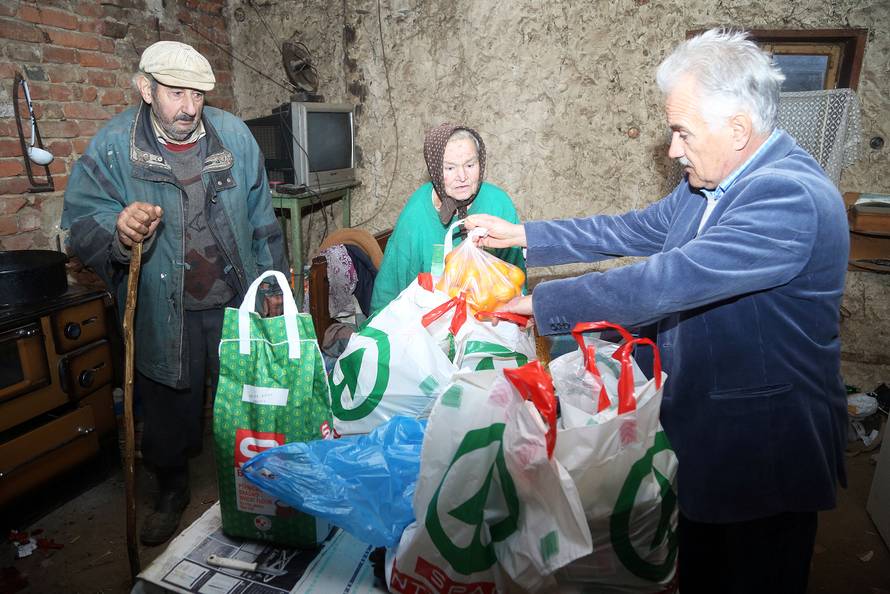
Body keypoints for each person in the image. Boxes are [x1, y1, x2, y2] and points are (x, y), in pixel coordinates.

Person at [466, 29, 849, 594]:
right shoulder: (711, 182)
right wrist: (522, 234)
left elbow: (668, 280)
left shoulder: (789, 198)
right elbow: (633, 228)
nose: (673, 149)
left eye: (681, 132)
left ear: (737, 130)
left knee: (752, 573)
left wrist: (541, 302)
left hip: (761, 450)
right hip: (705, 430)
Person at [62, 41, 287, 546]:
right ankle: (171, 489)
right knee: (168, 406)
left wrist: (273, 288)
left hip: (233, 295)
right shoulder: (117, 145)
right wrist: (118, 229)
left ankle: (253, 476)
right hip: (165, 306)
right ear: (146, 89)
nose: (189, 107)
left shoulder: (232, 136)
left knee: (246, 393)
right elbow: (79, 221)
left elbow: (262, 222)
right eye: (176, 93)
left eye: (199, 95)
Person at [369, 123, 525, 312]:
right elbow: (391, 283)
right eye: (450, 168)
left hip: (489, 317)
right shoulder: (417, 212)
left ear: (480, 162)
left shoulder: (498, 204)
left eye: (470, 165)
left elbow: (516, 281)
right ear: (434, 169)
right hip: (427, 321)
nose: (462, 176)